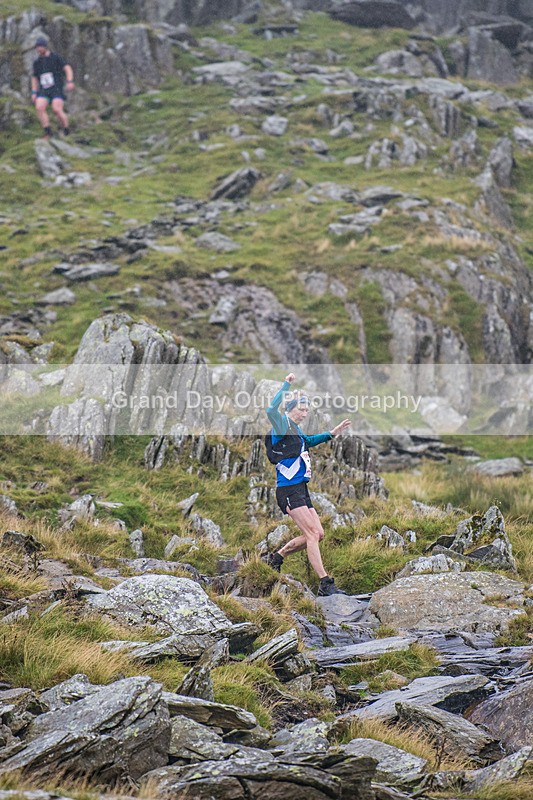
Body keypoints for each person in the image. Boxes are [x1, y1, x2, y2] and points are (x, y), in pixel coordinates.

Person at [263, 373, 351, 596]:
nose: (305, 414)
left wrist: (332, 433)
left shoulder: (296, 430)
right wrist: (286, 385)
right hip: (288, 489)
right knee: (312, 534)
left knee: (318, 533)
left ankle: (277, 557)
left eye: (306, 411)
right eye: (301, 410)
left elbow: (308, 442)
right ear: (291, 409)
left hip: (301, 488)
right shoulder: (281, 425)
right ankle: (325, 583)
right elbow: (270, 411)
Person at [31, 36, 74, 138]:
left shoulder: (56, 57)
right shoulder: (37, 62)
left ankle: (66, 129)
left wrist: (70, 81)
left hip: (56, 88)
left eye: (39, 47)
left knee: (57, 109)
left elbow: (67, 68)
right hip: (44, 89)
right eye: (36, 47)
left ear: (45, 47)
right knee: (39, 107)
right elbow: (34, 77)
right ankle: (48, 132)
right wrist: (34, 92)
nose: (38, 49)